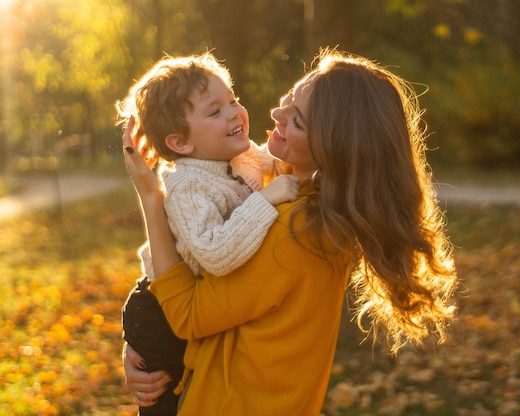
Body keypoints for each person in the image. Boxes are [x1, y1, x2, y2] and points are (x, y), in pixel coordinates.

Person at [122, 49, 458, 415]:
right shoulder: (308, 197)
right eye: (288, 100)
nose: (276, 114)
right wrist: (145, 345)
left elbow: (186, 314)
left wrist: (151, 196)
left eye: (295, 120)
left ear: (332, 148)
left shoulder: (294, 232)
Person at [116, 53, 300, 415]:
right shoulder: (187, 186)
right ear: (181, 143)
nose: (234, 113)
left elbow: (284, 165)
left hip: (189, 303)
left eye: (232, 100)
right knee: (166, 404)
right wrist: (265, 200)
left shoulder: (239, 156)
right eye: (215, 112)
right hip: (160, 315)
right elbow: (215, 253)